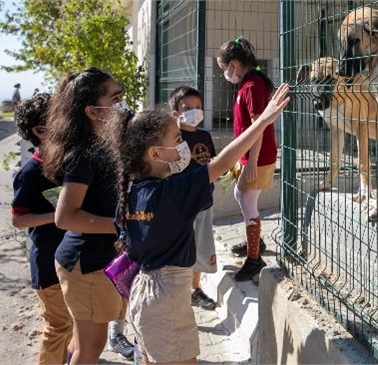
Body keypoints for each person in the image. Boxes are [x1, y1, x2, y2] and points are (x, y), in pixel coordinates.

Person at [106, 83, 289, 364]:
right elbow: (222, 162)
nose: (183, 146)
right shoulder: (171, 192)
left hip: (143, 294)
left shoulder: (131, 191)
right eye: (177, 139)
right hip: (166, 300)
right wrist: (263, 120)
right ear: (154, 154)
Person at [42, 67, 134, 363]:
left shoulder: (106, 146)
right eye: (115, 99)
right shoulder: (85, 155)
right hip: (85, 264)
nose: (123, 105)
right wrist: (122, 226)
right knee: (91, 347)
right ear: (93, 112)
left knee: (83, 343)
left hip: (98, 262)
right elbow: (65, 217)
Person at [11, 93, 75, 364]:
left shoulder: (69, 163)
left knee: (71, 322)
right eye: (57, 119)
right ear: (39, 131)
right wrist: (58, 216)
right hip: (47, 265)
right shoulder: (29, 174)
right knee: (59, 326)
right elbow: (18, 219)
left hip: (70, 261)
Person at [216, 36, 276, 281]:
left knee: (244, 197)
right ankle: (255, 243)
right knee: (244, 198)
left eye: (224, 68)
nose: (225, 74)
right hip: (251, 155)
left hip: (258, 157)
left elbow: (258, 126)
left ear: (234, 64)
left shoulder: (252, 86)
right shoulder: (248, 84)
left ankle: (254, 258)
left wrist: (251, 162)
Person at [169, 86, 218, 310]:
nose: (193, 112)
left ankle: (194, 289)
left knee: (200, 244)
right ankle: (176, 292)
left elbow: (213, 162)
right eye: (187, 108)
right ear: (175, 111)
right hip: (179, 203)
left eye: (197, 107)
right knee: (180, 246)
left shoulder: (204, 136)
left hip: (204, 199)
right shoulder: (170, 136)